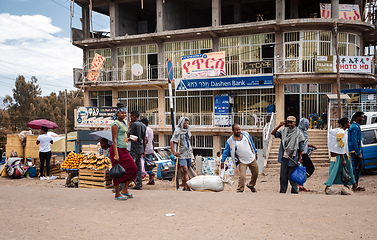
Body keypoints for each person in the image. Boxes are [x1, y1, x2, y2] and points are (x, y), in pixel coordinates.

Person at [271, 116, 305, 194]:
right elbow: (273, 133)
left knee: (292, 175)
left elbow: (301, 147)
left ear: (295, 123)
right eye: (288, 122)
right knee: (283, 176)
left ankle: (294, 190)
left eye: (291, 122)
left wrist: (300, 158)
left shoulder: (299, 133)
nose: (289, 124)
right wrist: (279, 125)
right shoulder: (283, 131)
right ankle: (283, 191)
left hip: (293, 157)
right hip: (284, 157)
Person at [221, 124, 258, 192]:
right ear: (233, 130)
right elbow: (225, 152)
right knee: (242, 176)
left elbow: (251, 144)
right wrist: (222, 161)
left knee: (255, 173)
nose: (239, 131)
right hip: (242, 161)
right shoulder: (230, 141)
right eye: (237, 130)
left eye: (239, 129)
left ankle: (251, 185)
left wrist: (255, 152)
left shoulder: (246, 135)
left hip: (252, 158)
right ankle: (240, 190)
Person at [111, 107, 137, 200]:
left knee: (133, 168)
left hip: (124, 149)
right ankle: (117, 193)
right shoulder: (115, 124)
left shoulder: (124, 124)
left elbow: (123, 138)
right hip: (116, 149)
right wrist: (116, 154)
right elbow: (114, 140)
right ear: (117, 113)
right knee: (117, 172)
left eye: (125, 113)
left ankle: (125, 190)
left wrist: (130, 139)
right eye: (122, 113)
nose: (124, 115)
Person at [324, 117, 357, 192]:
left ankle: (353, 184)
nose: (349, 124)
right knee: (335, 170)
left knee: (348, 169)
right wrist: (343, 158)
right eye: (348, 123)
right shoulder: (341, 132)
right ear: (345, 124)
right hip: (341, 155)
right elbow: (340, 145)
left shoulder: (342, 131)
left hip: (344, 154)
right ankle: (328, 185)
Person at [170, 117, 192, 191]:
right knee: (185, 169)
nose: (186, 124)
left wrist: (191, 148)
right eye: (184, 123)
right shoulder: (177, 131)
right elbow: (172, 141)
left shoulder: (187, 130)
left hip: (188, 153)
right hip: (181, 153)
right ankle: (188, 187)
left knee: (187, 170)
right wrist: (174, 152)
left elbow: (188, 140)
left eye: (187, 123)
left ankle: (185, 186)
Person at [128, 110, 146, 190]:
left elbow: (129, 135)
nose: (130, 118)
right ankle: (139, 184)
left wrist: (129, 126)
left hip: (134, 149)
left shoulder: (134, 124)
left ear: (134, 117)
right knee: (138, 168)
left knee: (130, 166)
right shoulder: (143, 125)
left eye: (131, 116)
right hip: (140, 149)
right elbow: (144, 138)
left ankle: (123, 185)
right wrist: (144, 150)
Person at [348, 111, 366, 191]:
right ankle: (354, 185)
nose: (363, 119)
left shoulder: (356, 126)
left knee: (358, 167)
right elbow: (354, 140)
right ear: (357, 117)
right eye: (361, 117)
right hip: (355, 151)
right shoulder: (354, 127)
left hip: (356, 150)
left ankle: (355, 184)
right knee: (357, 168)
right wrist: (358, 152)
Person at [298, 118, 316, 192]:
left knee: (304, 169)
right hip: (302, 153)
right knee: (311, 168)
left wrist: (310, 146)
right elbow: (299, 144)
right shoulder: (299, 132)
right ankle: (300, 183)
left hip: (304, 152)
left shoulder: (303, 132)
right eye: (307, 124)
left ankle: (301, 184)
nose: (308, 126)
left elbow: (304, 143)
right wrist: (300, 156)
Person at [141, 118, 155, 185]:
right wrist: (153, 150)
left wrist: (143, 150)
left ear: (143, 123)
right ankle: (152, 180)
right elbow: (152, 141)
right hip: (150, 149)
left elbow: (145, 139)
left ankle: (151, 174)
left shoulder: (145, 129)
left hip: (146, 150)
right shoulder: (151, 130)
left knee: (144, 165)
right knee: (149, 164)